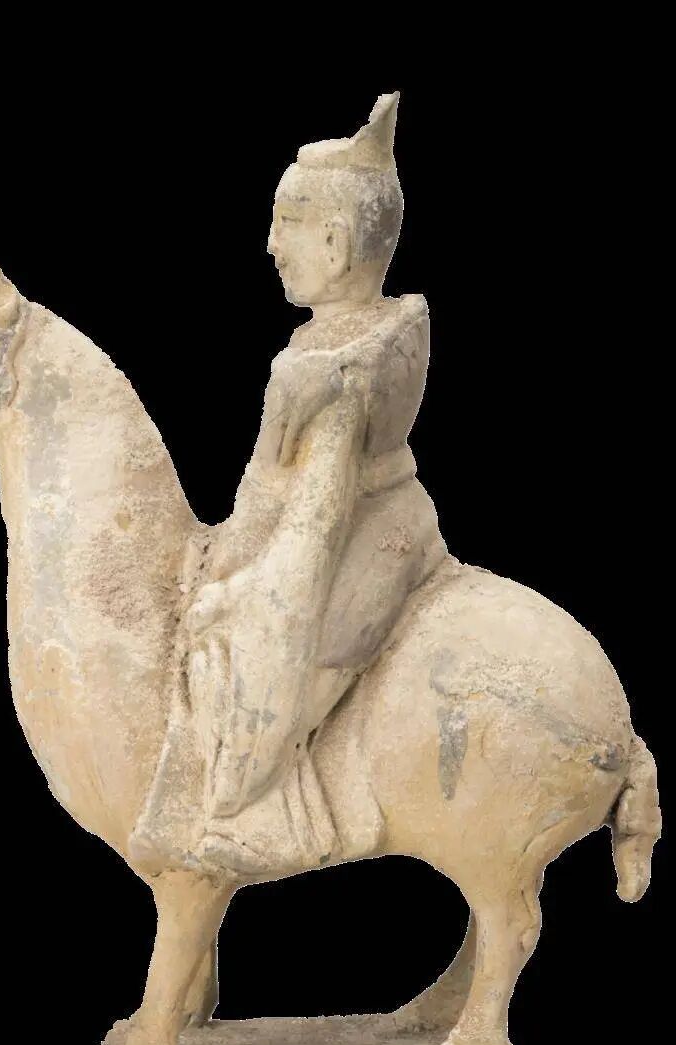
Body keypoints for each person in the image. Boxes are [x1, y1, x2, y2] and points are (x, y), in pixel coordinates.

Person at [128, 93, 449, 876]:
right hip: (392, 515)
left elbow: (315, 525)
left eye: (286, 225)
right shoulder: (374, 330)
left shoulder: (331, 373)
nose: (270, 244)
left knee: (237, 673)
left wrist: (243, 596)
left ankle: (246, 816)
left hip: (335, 548)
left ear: (334, 245)